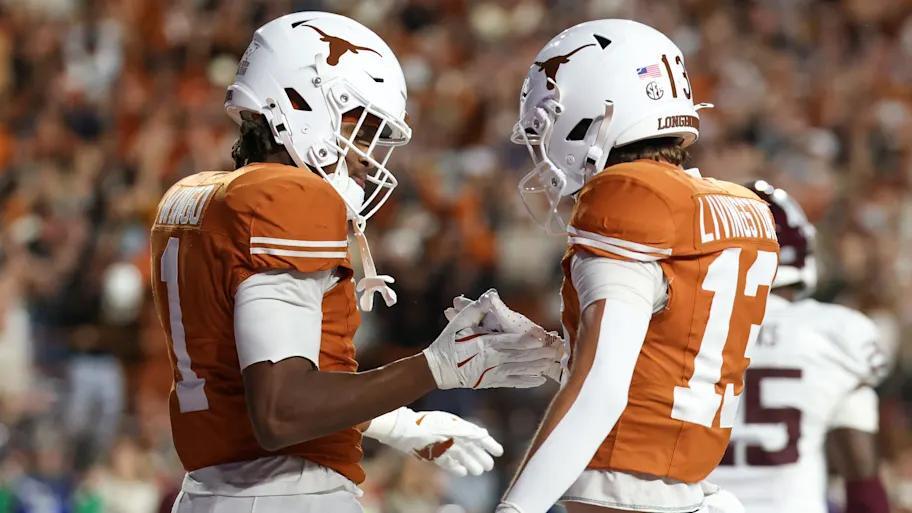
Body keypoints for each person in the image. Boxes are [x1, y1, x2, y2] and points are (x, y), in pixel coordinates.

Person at [149, 12, 560, 513]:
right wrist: (435, 367)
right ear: (299, 106)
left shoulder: (196, 196)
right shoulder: (285, 197)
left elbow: (254, 376)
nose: (367, 158)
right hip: (287, 497)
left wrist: (397, 423)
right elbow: (280, 411)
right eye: (359, 134)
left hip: (211, 494)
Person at [494, 19, 780, 513]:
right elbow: (665, 351)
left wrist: (516, 509)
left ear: (597, 110)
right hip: (682, 489)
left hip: (619, 491)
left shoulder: (631, 196)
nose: (545, 142)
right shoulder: (741, 205)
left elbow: (603, 388)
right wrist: (558, 352)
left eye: (550, 120)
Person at [707, 180, 890, 513]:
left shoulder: (677, 328)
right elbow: (861, 474)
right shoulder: (835, 334)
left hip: (697, 506)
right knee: (854, 400)